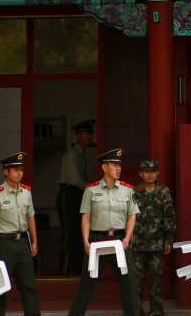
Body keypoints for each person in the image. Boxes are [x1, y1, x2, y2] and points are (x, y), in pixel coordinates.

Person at [68, 148, 140, 316]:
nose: (119, 168)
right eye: (114, 165)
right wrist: (86, 241)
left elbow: (132, 216)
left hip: (120, 241)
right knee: (87, 284)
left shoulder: (127, 190)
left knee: (129, 283)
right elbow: (85, 217)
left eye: (119, 165)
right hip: (97, 241)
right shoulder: (91, 190)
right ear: (104, 167)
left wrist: (128, 238)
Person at [0, 151, 40, 316]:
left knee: (29, 286)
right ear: (5, 171)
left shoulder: (26, 192)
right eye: (15, 170)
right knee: (0, 288)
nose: (19, 173)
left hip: (22, 243)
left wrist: (34, 240)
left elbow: (31, 216)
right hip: (3, 244)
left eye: (21, 169)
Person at [132, 159, 175, 316]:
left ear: (157, 173)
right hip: (136, 244)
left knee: (155, 282)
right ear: (141, 174)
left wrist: (169, 239)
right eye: (146, 172)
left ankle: (156, 312)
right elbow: (128, 216)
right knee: (135, 281)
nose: (150, 175)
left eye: (153, 172)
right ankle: (137, 311)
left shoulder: (163, 192)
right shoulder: (134, 192)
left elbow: (169, 217)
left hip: (156, 244)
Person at [57, 119, 94, 275]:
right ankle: (64, 273)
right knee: (70, 235)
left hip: (79, 194)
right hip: (69, 194)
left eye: (90, 134)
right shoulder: (71, 155)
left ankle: (78, 270)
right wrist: (95, 187)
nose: (89, 137)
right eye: (86, 134)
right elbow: (75, 181)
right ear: (78, 136)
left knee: (81, 234)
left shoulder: (81, 154)